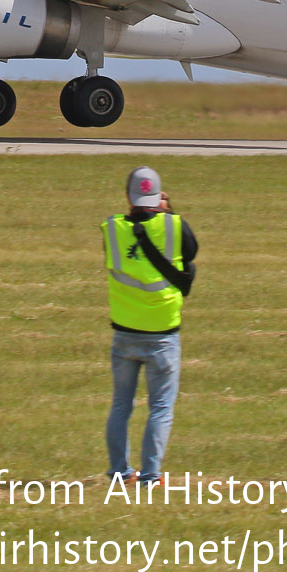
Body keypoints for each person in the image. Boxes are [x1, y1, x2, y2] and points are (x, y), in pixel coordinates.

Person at [104, 166, 198, 485]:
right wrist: (166, 212)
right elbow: (191, 253)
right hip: (162, 334)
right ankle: (150, 474)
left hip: (124, 331)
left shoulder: (112, 229)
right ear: (159, 197)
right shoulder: (173, 226)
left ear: (128, 197)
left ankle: (119, 471)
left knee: (121, 405)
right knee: (160, 408)